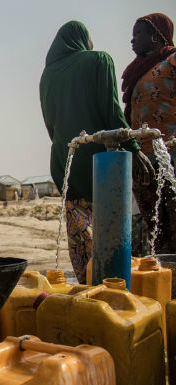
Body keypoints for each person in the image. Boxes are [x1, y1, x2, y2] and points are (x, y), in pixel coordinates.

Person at [39, 21, 153, 283]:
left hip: (65, 163)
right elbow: (112, 111)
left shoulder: (47, 75)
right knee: (114, 242)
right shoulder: (99, 60)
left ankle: (89, 291)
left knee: (84, 245)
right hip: (102, 162)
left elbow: (51, 127)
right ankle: (116, 295)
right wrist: (134, 149)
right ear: (83, 40)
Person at [122, 13, 176, 254]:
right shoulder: (137, 71)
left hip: (171, 154)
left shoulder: (173, 60)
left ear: (156, 35)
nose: (132, 40)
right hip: (144, 161)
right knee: (155, 229)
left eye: (138, 34)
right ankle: (164, 280)